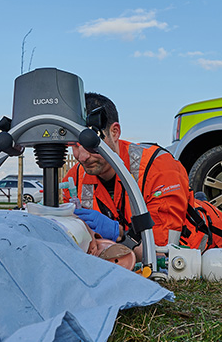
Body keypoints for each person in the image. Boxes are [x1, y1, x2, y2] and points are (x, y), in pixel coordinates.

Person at [62, 92, 218, 258]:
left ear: (115, 132)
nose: (82, 156)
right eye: (76, 145)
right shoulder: (74, 180)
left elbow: (160, 252)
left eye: (90, 144)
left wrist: (119, 233)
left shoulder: (159, 169)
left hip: (209, 247)